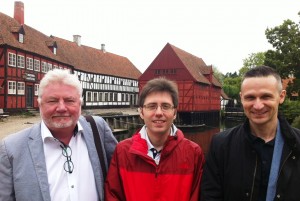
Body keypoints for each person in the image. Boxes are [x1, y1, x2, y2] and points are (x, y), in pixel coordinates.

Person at [0, 69, 118, 201]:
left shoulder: (98, 129)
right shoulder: (11, 148)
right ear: (40, 105)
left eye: (69, 100)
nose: (61, 108)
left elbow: (120, 177)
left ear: (80, 104)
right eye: (52, 101)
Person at [200, 66, 300, 201]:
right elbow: (210, 196)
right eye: (250, 97)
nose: (258, 105)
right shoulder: (221, 145)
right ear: (241, 98)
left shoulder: (297, 144)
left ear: (281, 96)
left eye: (266, 96)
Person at [105, 77, 205, 201]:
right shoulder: (123, 152)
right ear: (141, 112)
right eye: (152, 106)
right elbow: (113, 195)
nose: (158, 112)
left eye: (165, 106)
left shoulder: (193, 153)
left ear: (174, 113)